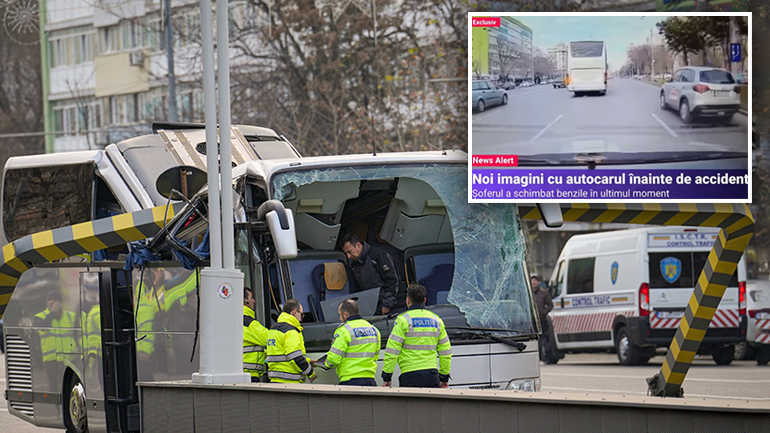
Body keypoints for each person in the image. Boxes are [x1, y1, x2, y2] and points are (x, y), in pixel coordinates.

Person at [382, 283, 451, 388]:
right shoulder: (437, 320)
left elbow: (392, 350)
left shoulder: (403, 321)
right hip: (432, 375)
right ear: (425, 300)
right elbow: (446, 352)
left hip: (410, 375)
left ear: (408, 301)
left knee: (410, 405)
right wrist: (444, 376)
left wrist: (387, 376)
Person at [315, 299, 380, 386]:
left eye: (340, 315)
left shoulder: (344, 330)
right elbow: (375, 356)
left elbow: (334, 359)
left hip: (350, 381)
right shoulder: (374, 329)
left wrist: (325, 363)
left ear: (345, 314)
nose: (339, 318)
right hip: (370, 381)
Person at [340, 233, 401, 315]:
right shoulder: (354, 264)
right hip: (373, 308)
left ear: (358, 245)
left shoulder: (379, 256)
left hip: (392, 306)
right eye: (346, 253)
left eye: (350, 252)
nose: (348, 256)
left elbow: (393, 281)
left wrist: (387, 304)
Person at [266, 299, 317, 383]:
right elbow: (295, 358)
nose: (301, 319)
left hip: (275, 380)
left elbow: (283, 354)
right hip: (289, 382)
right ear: (294, 312)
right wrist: (310, 373)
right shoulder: (291, 332)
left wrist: (307, 360)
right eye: (301, 314)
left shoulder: (273, 330)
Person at [243, 287, 269, 382]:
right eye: (251, 298)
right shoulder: (248, 323)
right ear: (244, 301)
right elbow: (269, 339)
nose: (254, 301)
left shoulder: (233, 319)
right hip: (249, 374)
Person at [531, 275, 555, 363]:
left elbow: (550, 305)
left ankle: (547, 357)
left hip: (542, 320)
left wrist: (543, 313)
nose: (534, 283)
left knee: (545, 339)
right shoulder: (528, 293)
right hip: (532, 321)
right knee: (534, 340)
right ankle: (537, 358)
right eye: (532, 281)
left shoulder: (544, 293)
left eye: (535, 281)